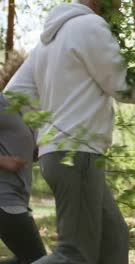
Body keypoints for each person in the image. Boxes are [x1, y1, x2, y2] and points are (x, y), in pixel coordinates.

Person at [4, 0, 135, 263]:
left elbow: (16, 94)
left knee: (114, 239)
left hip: (67, 155)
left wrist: (47, 133)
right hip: (77, 154)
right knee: (74, 255)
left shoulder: (49, 40)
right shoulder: (90, 25)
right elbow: (122, 85)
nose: (121, 5)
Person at [0, 54, 47, 264]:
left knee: (26, 259)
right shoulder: (2, 104)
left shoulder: (25, 116)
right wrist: (3, 161)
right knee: (37, 259)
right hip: (5, 201)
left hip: (15, 200)